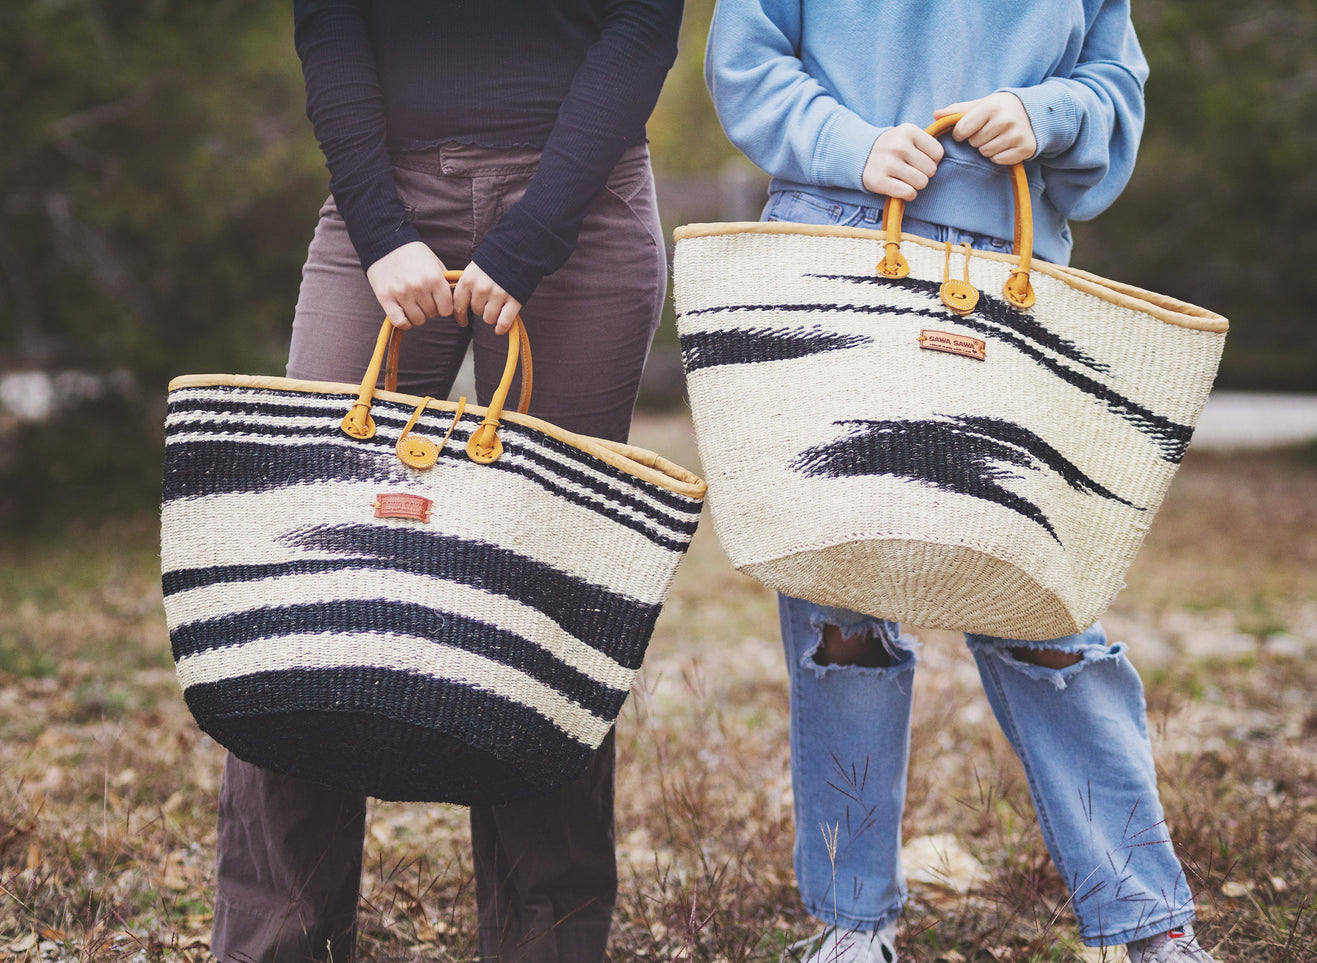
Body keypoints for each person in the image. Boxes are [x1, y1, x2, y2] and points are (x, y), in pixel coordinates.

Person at [704, 3, 1216, 962]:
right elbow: (745, 58)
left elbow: (1114, 87)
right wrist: (848, 146)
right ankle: (852, 924)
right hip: (834, 264)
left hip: (1006, 283)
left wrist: (1046, 113)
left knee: (1044, 605)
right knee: (837, 617)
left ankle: (1148, 922)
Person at [209, 2, 684, 961]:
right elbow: (329, 25)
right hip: (379, 202)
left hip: (582, 205)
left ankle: (543, 943)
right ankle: (278, 940)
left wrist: (532, 235)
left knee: (550, 596)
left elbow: (641, 27)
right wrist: (382, 230)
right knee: (309, 586)